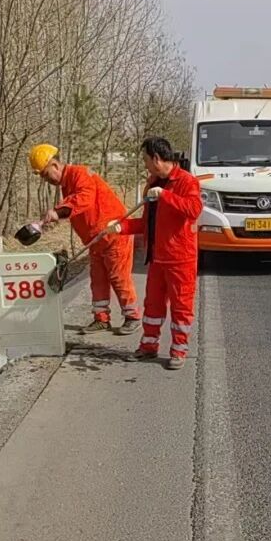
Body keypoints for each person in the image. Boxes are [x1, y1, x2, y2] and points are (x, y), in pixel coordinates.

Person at [106, 137, 201, 370]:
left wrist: (165, 196)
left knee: (181, 307)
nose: (145, 165)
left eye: (146, 160)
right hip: (157, 258)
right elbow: (148, 223)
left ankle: (179, 350)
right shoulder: (152, 185)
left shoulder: (186, 181)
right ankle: (148, 346)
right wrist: (122, 227)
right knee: (153, 306)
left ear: (157, 158)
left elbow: (194, 209)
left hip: (180, 259)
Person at [28, 143, 141, 335]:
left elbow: (84, 199)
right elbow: (77, 209)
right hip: (95, 239)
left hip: (114, 233)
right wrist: (54, 217)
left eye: (46, 175)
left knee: (118, 277)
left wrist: (58, 212)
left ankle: (132, 316)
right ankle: (101, 318)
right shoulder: (67, 183)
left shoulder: (79, 174)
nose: (47, 180)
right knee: (98, 278)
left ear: (55, 165)